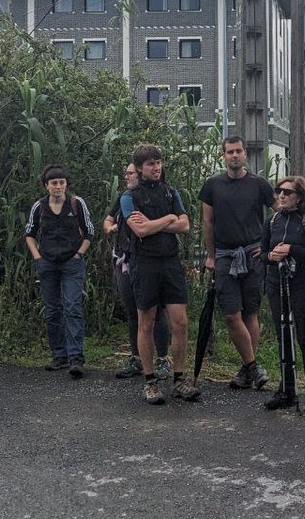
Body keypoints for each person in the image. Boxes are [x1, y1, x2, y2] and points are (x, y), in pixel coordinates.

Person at [124, 144, 198, 405]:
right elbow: (139, 231)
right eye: (150, 164)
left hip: (170, 262)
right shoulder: (129, 197)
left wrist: (160, 220)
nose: (156, 168)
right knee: (147, 321)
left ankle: (179, 379)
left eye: (158, 162)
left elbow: (185, 225)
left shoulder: (171, 193)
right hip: (144, 264)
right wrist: (169, 219)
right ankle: (150, 381)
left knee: (180, 322)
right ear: (140, 168)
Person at [200, 136, 275, 391]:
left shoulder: (259, 185)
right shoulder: (212, 185)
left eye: (238, 151)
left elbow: (280, 211)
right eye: (230, 151)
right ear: (223, 155)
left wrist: (269, 248)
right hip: (224, 256)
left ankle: (247, 369)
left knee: (251, 313)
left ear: (245, 154)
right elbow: (207, 223)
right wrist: (210, 255)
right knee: (232, 314)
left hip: (253, 255)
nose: (234, 155)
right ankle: (254, 367)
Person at [261, 175, 305, 416]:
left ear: (299, 197)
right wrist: (271, 256)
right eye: (279, 191)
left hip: (302, 285)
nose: (281, 196)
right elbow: (262, 253)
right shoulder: (272, 221)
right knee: (282, 334)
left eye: (287, 192)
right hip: (277, 283)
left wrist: (292, 250)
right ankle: (286, 390)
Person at [103, 161, 170, 380]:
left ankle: (162, 359)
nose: (128, 176)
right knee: (133, 312)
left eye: (131, 173)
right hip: (124, 259)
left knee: (157, 311)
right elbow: (107, 220)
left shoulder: (155, 196)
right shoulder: (124, 197)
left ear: (139, 173)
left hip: (148, 260)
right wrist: (111, 227)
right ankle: (136, 357)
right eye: (126, 173)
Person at [25, 165, 94, 378]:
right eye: (53, 183)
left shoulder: (76, 203)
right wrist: (37, 257)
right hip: (47, 263)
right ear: (46, 185)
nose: (58, 186)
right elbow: (30, 233)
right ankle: (59, 355)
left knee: (72, 306)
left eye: (61, 182)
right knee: (53, 309)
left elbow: (90, 231)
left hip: (71, 263)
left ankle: (76, 357)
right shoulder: (39, 207)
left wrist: (79, 255)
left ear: (66, 184)